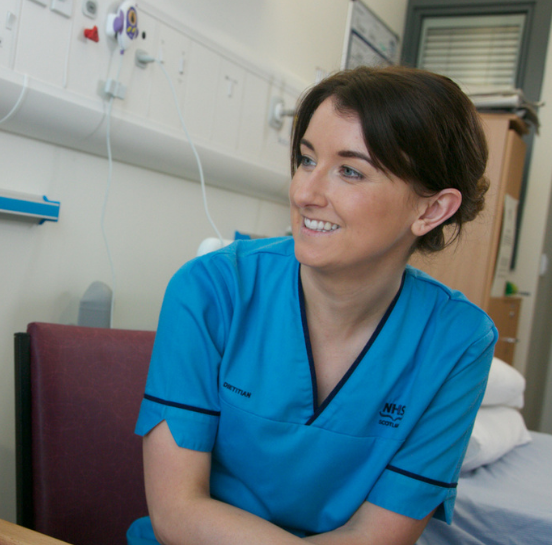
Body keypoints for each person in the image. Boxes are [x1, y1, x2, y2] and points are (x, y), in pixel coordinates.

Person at [127, 66, 497, 545]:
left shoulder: (458, 341)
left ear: (430, 210)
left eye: (349, 171)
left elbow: (378, 535)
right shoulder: (212, 290)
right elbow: (177, 512)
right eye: (305, 160)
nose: (303, 193)